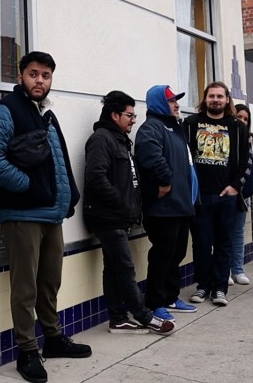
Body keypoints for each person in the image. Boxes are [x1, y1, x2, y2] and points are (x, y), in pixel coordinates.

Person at [0, 51, 89, 383]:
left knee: (49, 282)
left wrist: (68, 196)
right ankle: (27, 350)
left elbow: (57, 162)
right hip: (23, 215)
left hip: (51, 215)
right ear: (21, 76)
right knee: (25, 288)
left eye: (46, 76)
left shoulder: (44, 114)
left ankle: (53, 339)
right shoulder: (7, 110)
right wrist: (27, 187)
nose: (40, 80)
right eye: (33, 74)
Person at [83, 90, 174, 335]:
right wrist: (121, 204)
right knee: (125, 267)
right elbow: (95, 177)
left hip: (118, 216)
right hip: (108, 217)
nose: (134, 120)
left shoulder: (120, 139)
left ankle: (118, 318)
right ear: (115, 115)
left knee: (113, 268)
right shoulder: (102, 139)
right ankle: (144, 317)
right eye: (130, 115)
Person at [135, 85, 198, 321]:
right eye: (172, 101)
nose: (177, 104)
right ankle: (155, 301)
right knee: (162, 255)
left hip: (181, 206)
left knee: (177, 254)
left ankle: (171, 296)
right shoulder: (151, 127)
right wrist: (164, 180)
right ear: (160, 103)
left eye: (177, 101)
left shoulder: (175, 128)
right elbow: (149, 154)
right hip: (162, 209)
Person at [184, 82, 249, 306]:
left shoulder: (238, 126)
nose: (215, 100)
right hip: (200, 196)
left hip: (227, 197)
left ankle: (220, 288)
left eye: (220, 96)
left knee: (224, 243)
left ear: (227, 99)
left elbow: (245, 161)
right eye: (211, 96)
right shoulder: (191, 124)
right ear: (205, 99)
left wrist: (235, 186)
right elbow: (185, 158)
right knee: (201, 244)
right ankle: (203, 286)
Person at [231, 103, 253, 286]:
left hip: (242, 196)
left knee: (237, 233)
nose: (242, 121)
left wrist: (250, 188)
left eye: (246, 119)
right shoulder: (225, 135)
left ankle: (237, 269)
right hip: (224, 193)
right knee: (222, 234)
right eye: (239, 117)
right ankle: (224, 271)